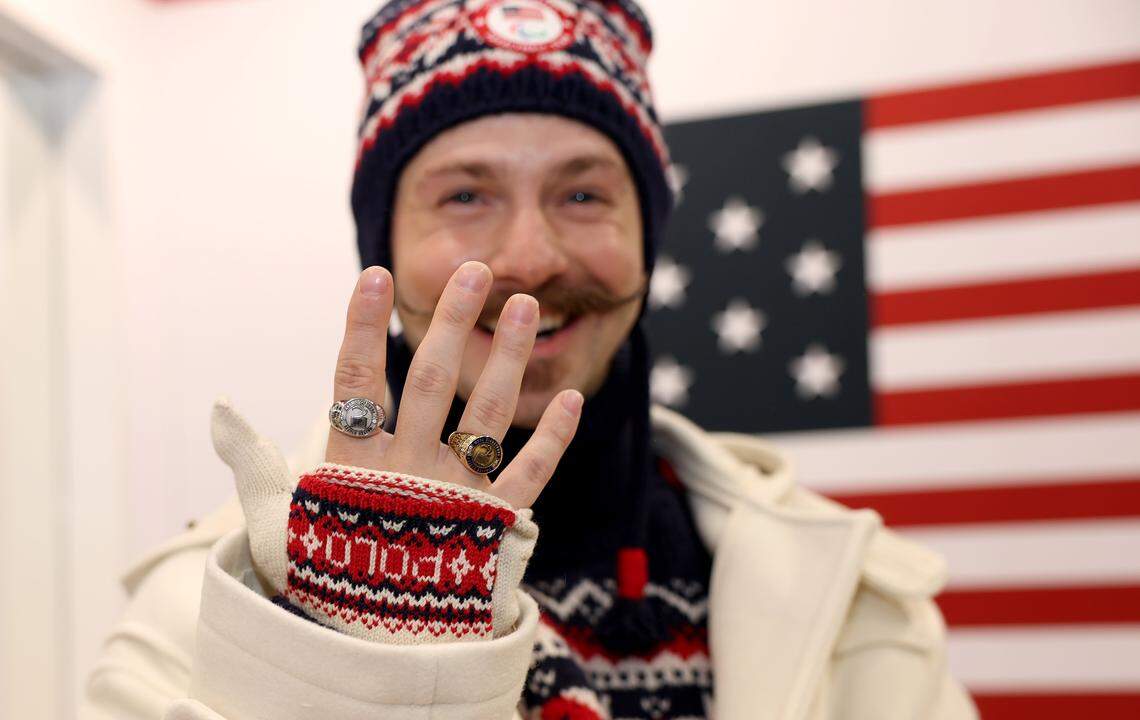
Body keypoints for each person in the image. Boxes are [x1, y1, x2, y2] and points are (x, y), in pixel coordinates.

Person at [84, 1, 977, 718]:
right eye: (466, 194)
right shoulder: (213, 596)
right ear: (383, 247)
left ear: (647, 238)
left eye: (583, 192)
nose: (530, 256)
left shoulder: (850, 596)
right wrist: (353, 663)